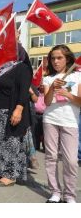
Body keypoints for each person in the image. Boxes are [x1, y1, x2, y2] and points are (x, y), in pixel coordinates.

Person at [0, 44, 33, 187]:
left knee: (10, 143)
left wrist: (18, 109)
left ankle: (9, 175)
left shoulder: (22, 67)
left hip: (10, 110)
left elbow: (24, 91)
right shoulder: (2, 68)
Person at [43, 45, 81, 203]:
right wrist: (52, 87)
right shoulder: (48, 78)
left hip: (70, 122)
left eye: (59, 58)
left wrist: (67, 94)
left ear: (67, 59)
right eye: (53, 58)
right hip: (50, 119)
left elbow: (80, 102)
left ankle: (70, 195)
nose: (55, 61)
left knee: (71, 160)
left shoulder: (77, 77)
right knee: (51, 157)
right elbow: (46, 101)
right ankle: (55, 192)